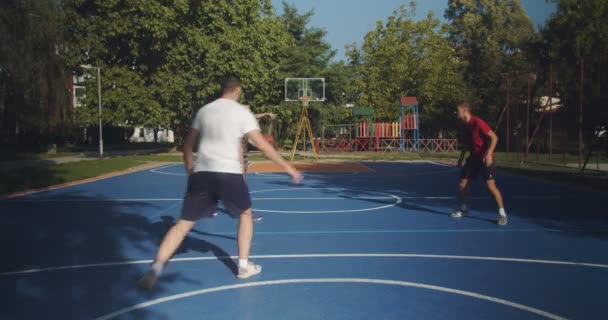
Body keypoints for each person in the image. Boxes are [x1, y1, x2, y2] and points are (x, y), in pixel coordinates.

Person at [139, 76, 302, 289]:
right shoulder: (242, 112)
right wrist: (288, 167)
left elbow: (187, 146)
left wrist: (190, 171)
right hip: (228, 173)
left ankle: (155, 269)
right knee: (245, 215)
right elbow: (262, 144)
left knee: (182, 225)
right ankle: (243, 267)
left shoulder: (204, 111)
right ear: (237, 90)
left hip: (202, 173)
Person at [450, 101, 507, 226]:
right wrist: (461, 158)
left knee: (491, 187)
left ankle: (502, 214)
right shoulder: (465, 126)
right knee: (462, 183)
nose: (456, 113)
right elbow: (467, 144)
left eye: (457, 110)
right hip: (473, 158)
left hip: (484, 158)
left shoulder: (477, 122)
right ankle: (464, 209)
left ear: (464, 111)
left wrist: (489, 154)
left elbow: (494, 137)